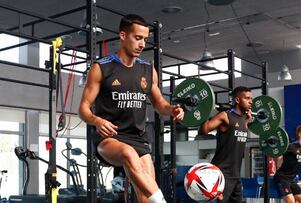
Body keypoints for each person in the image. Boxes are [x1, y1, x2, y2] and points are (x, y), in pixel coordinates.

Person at [79, 14, 184, 203]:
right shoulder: (101, 68)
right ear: (122, 36)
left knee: (145, 197)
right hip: (109, 139)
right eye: (137, 38)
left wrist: (172, 109)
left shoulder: (147, 70)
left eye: (145, 39)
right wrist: (97, 121)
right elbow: (83, 109)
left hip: (138, 139)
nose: (142, 44)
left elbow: (159, 103)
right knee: (129, 155)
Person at [198, 86, 253, 203]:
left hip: (236, 175)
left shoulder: (244, 119)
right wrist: (204, 111)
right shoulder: (225, 116)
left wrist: (247, 121)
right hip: (222, 173)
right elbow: (203, 131)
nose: (250, 101)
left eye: (251, 99)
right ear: (237, 100)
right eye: (247, 98)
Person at [273, 124, 301, 203]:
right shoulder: (291, 146)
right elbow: (278, 153)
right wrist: (278, 162)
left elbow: (299, 154)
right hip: (282, 178)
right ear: (300, 134)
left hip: (292, 179)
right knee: (291, 201)